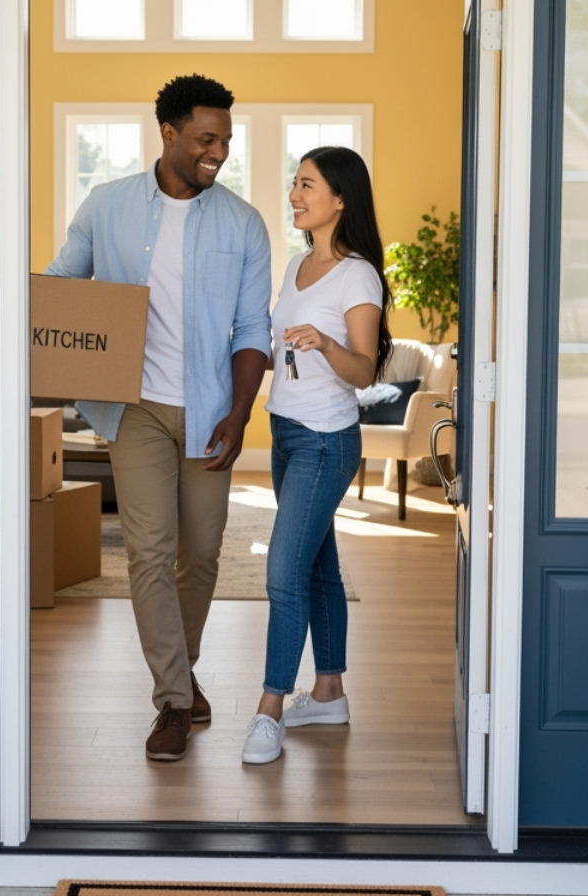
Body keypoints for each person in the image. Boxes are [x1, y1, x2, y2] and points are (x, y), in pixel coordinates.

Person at [46, 74, 272, 762]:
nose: (218, 153)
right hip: (134, 408)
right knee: (147, 552)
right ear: (168, 134)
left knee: (199, 556)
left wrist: (238, 415)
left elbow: (251, 331)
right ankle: (174, 700)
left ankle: (181, 674)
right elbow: (61, 287)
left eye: (226, 141)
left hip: (209, 411)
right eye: (206, 139)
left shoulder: (243, 223)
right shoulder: (107, 206)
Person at [241, 145, 393, 765]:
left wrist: (327, 342)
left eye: (306, 184)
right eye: (294, 183)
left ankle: (269, 708)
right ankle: (328, 693)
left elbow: (360, 370)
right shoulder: (299, 266)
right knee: (319, 568)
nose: (294, 194)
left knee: (283, 573)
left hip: (327, 441)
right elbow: (290, 354)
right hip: (286, 433)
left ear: (340, 198)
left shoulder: (358, 274)